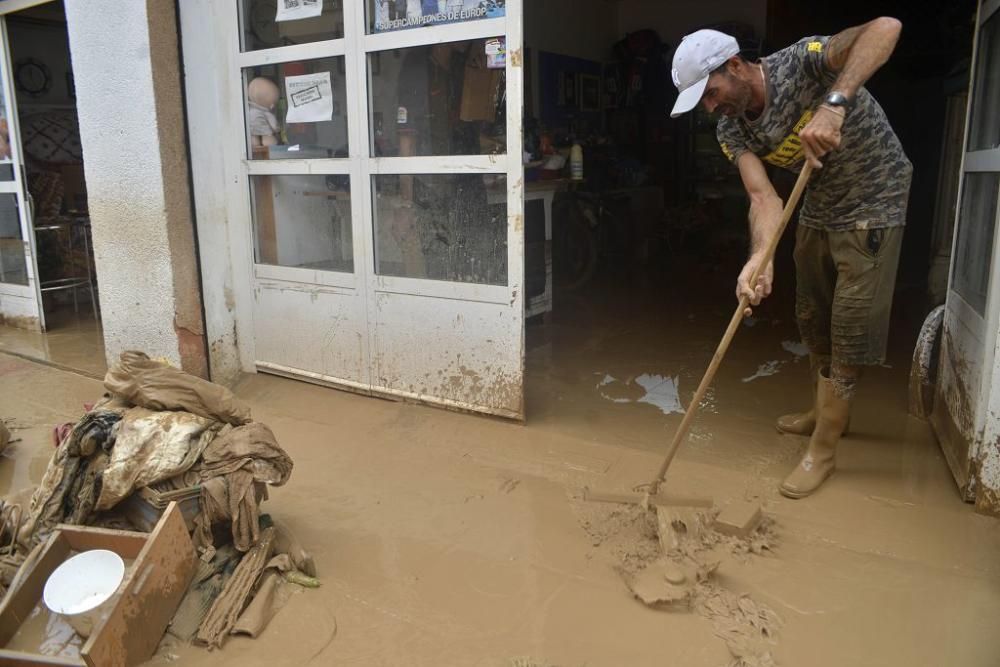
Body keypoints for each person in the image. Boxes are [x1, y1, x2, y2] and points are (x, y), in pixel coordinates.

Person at [669, 20, 912, 498]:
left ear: (735, 65)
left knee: (848, 328)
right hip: (819, 204)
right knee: (811, 316)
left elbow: (886, 28)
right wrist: (760, 259)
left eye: (712, 92)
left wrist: (835, 104)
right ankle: (823, 412)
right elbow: (762, 199)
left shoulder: (804, 61)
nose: (712, 106)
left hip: (874, 200)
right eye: (704, 101)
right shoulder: (731, 130)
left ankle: (823, 450)